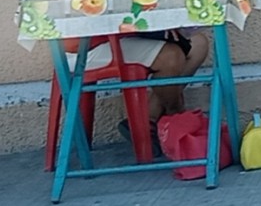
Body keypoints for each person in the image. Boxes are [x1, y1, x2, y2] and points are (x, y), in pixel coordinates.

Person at [67, 29, 210, 150]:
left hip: (122, 35)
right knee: (170, 56)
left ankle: (149, 119)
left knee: (198, 44)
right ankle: (175, 116)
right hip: (87, 47)